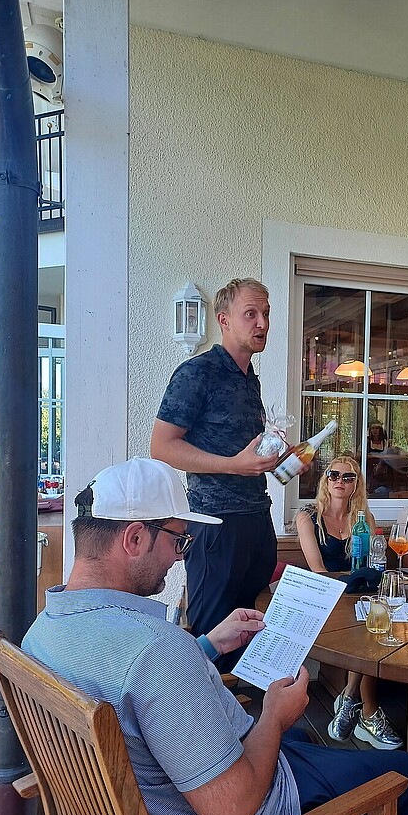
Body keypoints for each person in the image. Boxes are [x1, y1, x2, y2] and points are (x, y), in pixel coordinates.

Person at [22, 458, 408, 815]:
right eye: (178, 541)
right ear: (134, 539)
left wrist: (208, 646)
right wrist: (275, 715)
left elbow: (134, 683)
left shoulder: (44, 633)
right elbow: (234, 812)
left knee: (303, 743)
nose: (180, 557)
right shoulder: (155, 650)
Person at [151, 278, 279, 667]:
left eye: (266, 314)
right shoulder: (196, 373)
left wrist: (281, 459)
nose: (262, 323)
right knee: (213, 643)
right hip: (216, 526)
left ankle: (248, 709)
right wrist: (234, 465)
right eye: (251, 314)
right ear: (224, 320)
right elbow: (162, 446)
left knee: (252, 635)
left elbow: (244, 452)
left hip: (257, 519)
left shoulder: (250, 379)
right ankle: (206, 709)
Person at [296, 456, 403, 750]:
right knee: (367, 629)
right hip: (327, 597)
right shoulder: (308, 517)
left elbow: (371, 564)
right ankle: (368, 712)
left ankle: (350, 697)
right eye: (334, 475)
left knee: (374, 624)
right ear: (325, 480)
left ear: (357, 484)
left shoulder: (364, 518)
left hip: (357, 595)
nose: (340, 481)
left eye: (348, 477)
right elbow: (318, 570)